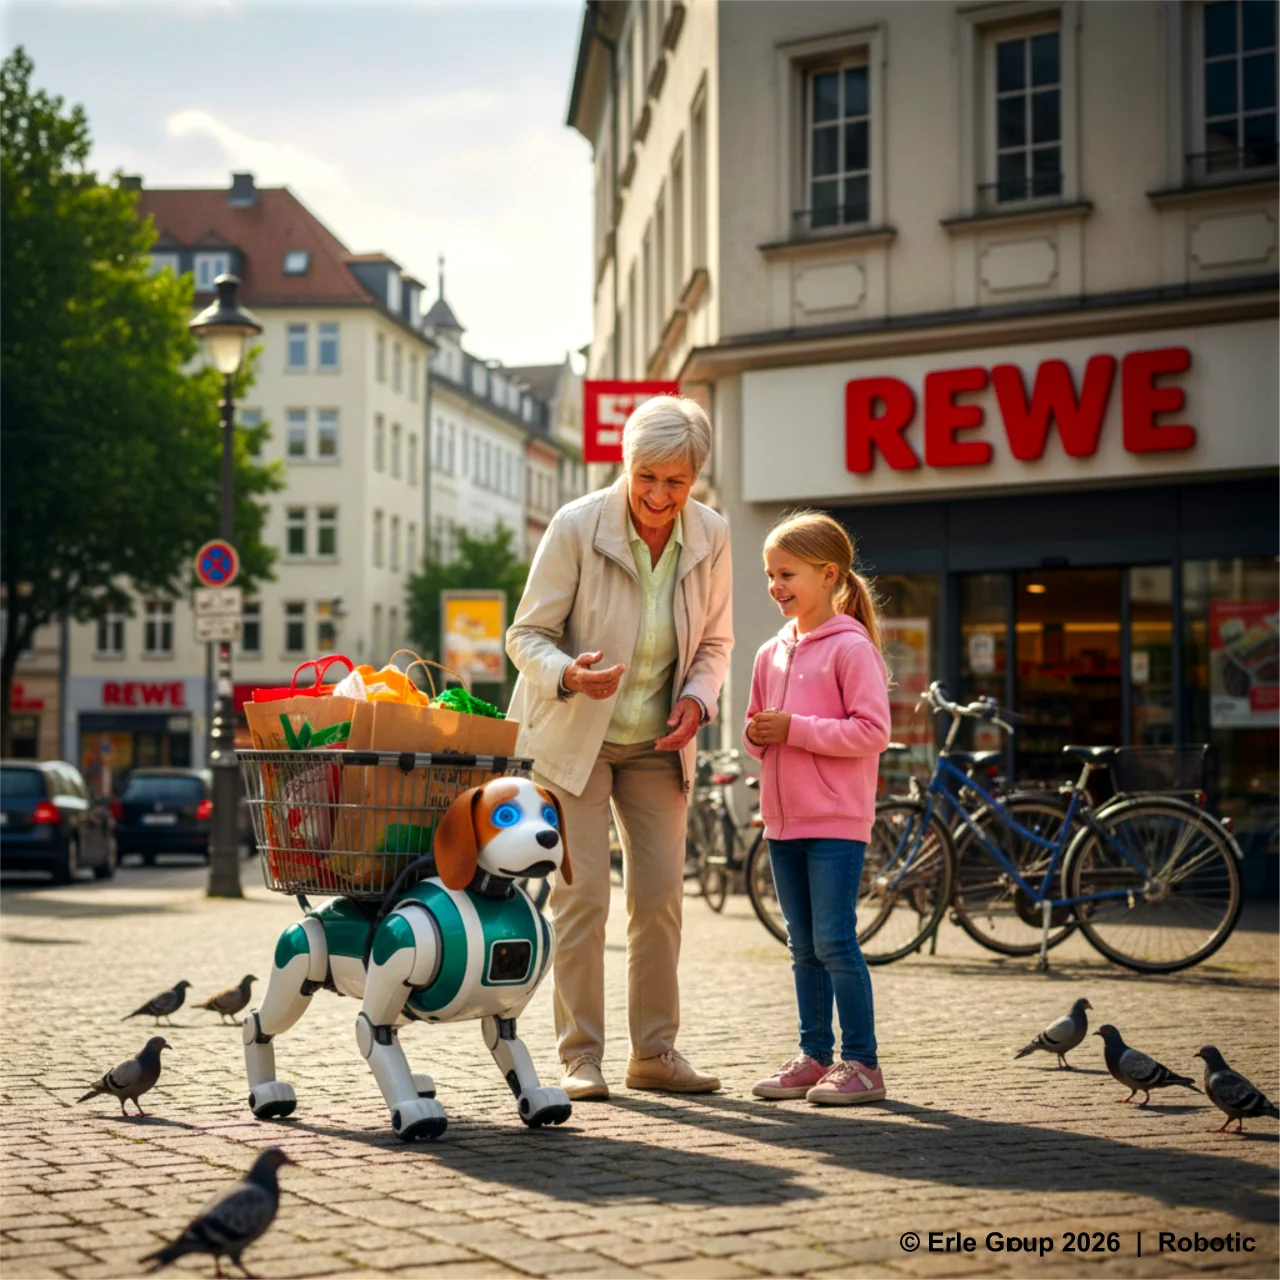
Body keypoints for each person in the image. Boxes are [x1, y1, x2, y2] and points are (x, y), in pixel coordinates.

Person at [506, 395, 732, 1100]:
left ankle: (654, 1055)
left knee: (660, 899)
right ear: (626, 464)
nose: (660, 496)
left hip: (660, 742)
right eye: (647, 477)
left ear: (695, 478)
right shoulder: (577, 525)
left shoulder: (712, 534)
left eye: (677, 482)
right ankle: (580, 1058)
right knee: (582, 899)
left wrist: (698, 699)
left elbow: (715, 642)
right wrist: (567, 673)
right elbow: (526, 635)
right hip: (577, 740)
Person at [742, 512, 891, 1105]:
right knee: (801, 946)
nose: (775, 586)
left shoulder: (852, 648)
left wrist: (794, 728)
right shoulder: (769, 653)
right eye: (770, 575)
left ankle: (863, 1064)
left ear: (829, 574)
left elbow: (872, 731)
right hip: (782, 823)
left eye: (787, 574)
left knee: (834, 942)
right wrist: (759, 734)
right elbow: (757, 734)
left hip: (835, 822)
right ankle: (813, 1056)